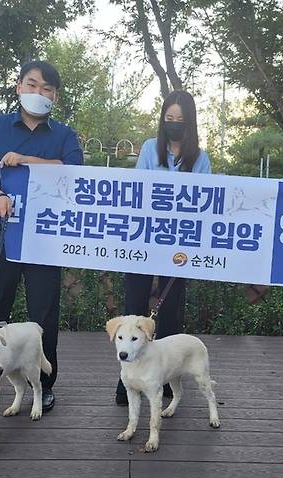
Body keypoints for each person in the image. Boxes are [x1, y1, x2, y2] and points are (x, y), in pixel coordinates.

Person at [0, 60, 84, 412]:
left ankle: (42, 386)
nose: (38, 93)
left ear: (56, 97)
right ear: (18, 87)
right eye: (31, 84)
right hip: (0, 233)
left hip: (46, 238)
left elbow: (75, 173)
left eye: (47, 89)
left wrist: (25, 159)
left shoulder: (63, 136)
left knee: (43, 315)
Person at [115, 90, 212, 406]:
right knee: (134, 309)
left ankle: (165, 380)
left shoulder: (201, 158)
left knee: (170, 313)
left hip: (178, 247)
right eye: (168, 119)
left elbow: (205, 201)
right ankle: (126, 381)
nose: (173, 125)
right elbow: (137, 191)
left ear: (190, 123)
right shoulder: (147, 149)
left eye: (179, 120)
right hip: (142, 240)